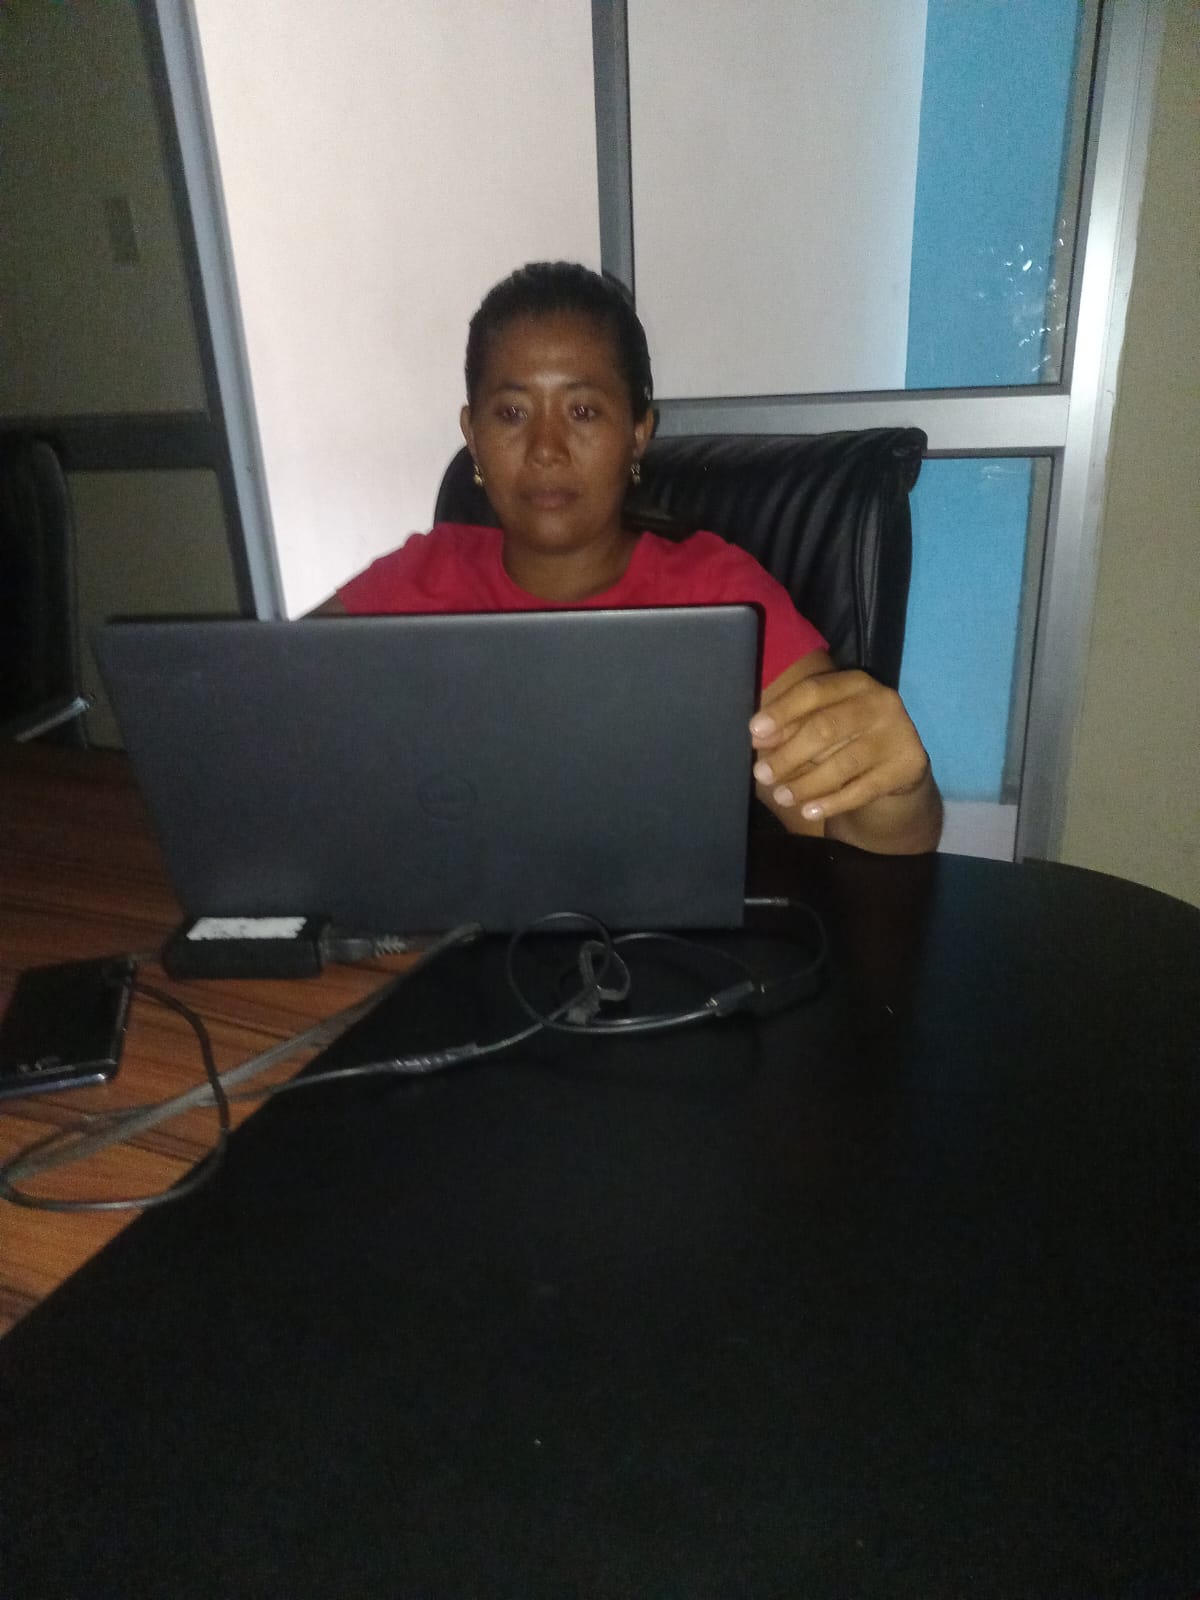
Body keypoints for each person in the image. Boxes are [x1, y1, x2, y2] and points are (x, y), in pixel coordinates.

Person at [313, 262, 942, 854]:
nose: (546, 448)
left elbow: (850, 835)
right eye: (512, 413)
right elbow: (277, 721)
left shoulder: (716, 594)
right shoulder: (419, 575)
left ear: (638, 434)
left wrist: (896, 792)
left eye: (583, 411)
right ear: (472, 436)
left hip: (648, 931)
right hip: (440, 917)